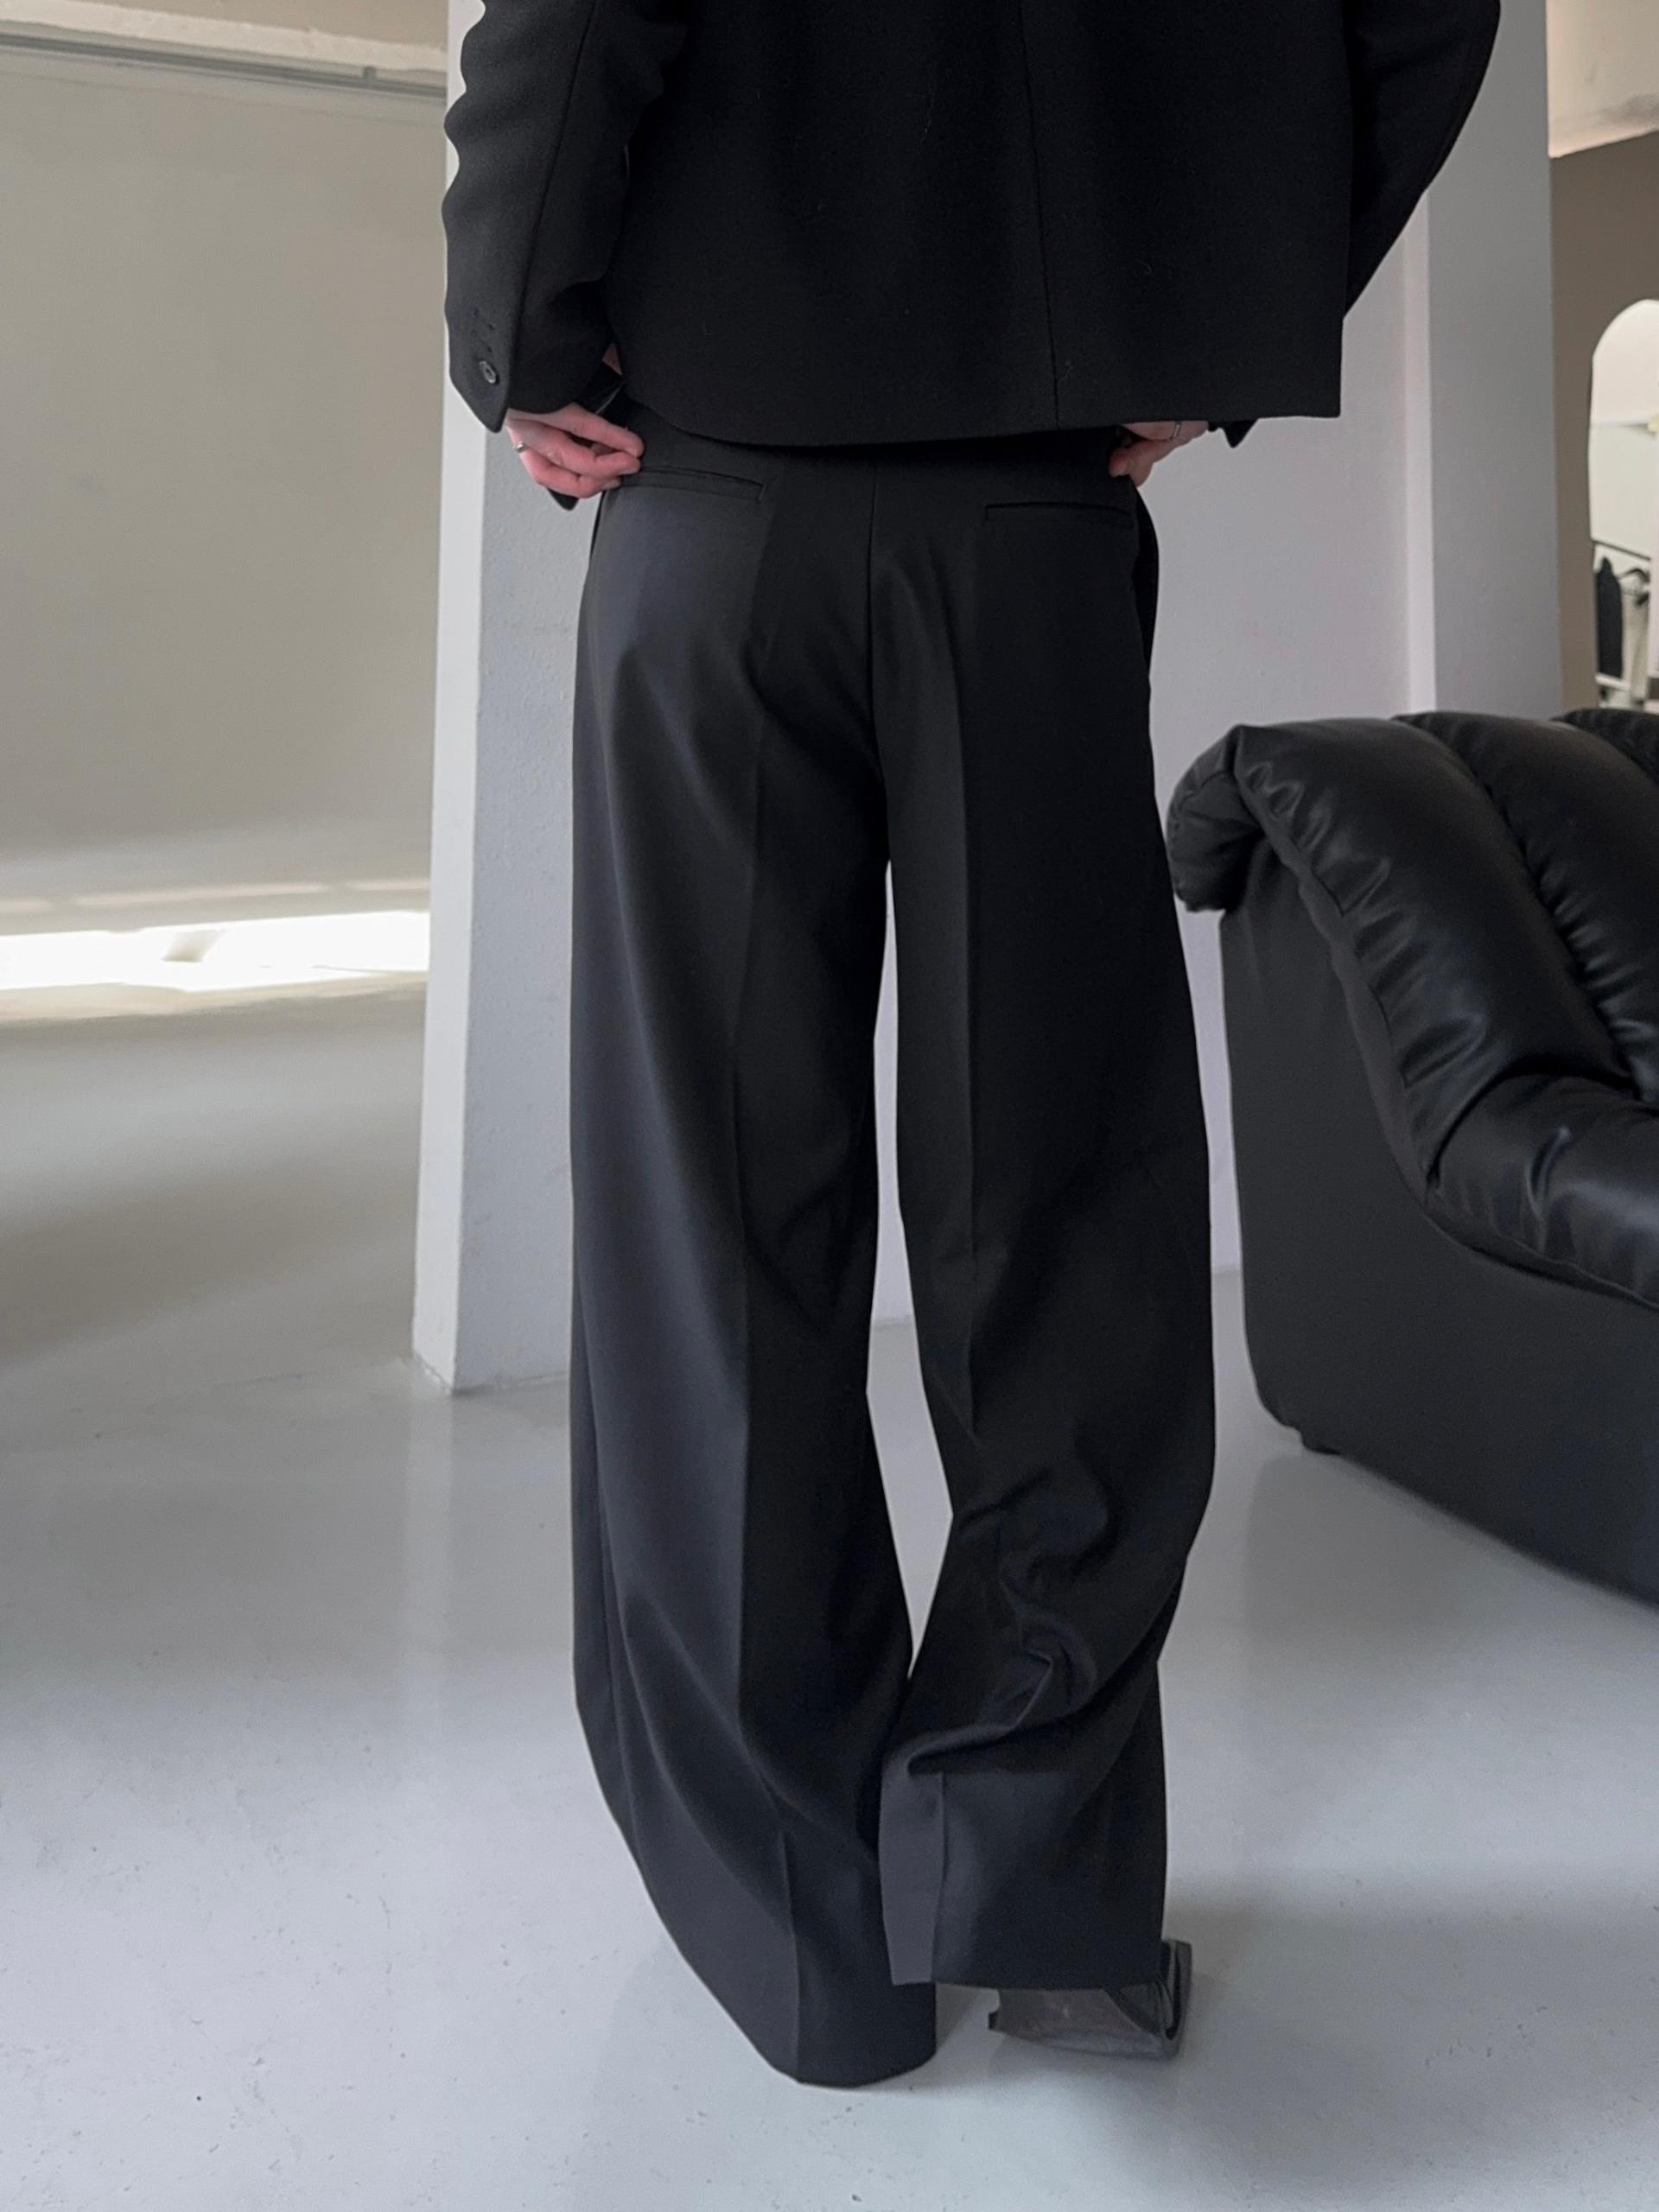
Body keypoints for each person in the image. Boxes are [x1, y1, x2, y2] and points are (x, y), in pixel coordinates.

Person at [439, 0, 1501, 2086]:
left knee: (711, 1215)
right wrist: (1223, 316)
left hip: (715, 502)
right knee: (1066, 1202)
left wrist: (519, 335)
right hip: (1028, 517)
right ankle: (1034, 1888)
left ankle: (806, 1942)